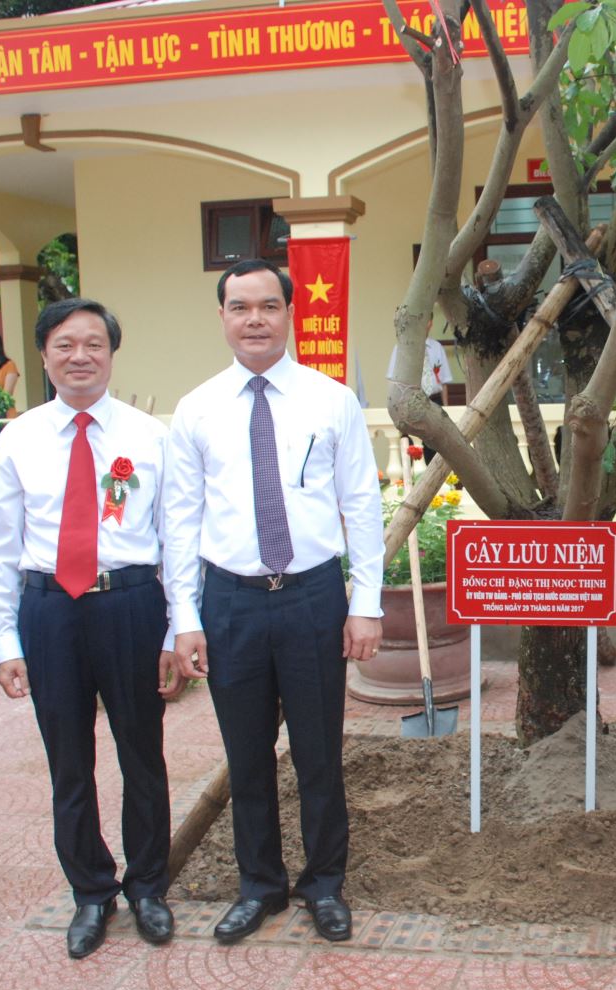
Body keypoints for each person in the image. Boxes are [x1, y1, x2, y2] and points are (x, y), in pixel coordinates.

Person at [164, 258, 384, 945]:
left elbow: (361, 503)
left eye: (267, 306)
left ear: (289, 313)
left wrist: (366, 601)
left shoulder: (331, 401)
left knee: (319, 751)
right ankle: (259, 885)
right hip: (230, 602)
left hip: (312, 597)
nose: (253, 319)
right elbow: (180, 519)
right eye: (240, 307)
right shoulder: (197, 409)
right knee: (247, 754)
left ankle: (324, 883)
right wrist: (185, 618)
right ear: (222, 317)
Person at [0, 297, 184, 959]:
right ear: (43, 354)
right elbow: (0, 547)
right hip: (50, 611)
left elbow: (176, 540)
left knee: (142, 753)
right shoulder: (19, 437)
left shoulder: (149, 436)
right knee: (68, 761)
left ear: (112, 353)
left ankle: (148, 885)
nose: (80, 356)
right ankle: (91, 890)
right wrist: (6, 640)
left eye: (94, 343)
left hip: (130, 604)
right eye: (65, 344)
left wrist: (175, 631)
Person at [386, 317, 453, 462]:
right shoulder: (401, 347)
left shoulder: (437, 348)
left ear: (431, 323)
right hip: (409, 402)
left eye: (427, 320)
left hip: (434, 401)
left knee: (436, 449)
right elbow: (393, 381)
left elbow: (444, 383)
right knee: (414, 449)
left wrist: (446, 408)